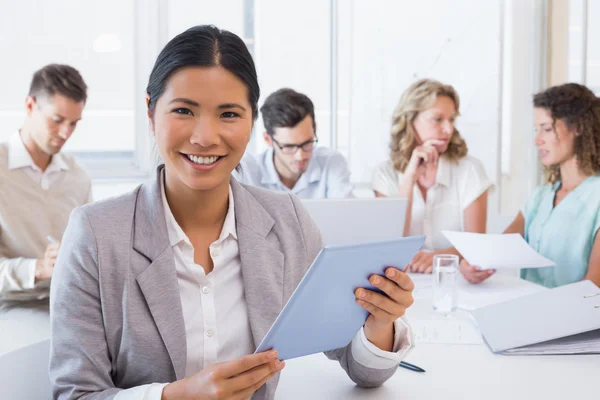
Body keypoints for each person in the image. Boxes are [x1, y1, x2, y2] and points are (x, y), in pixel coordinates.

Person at [49, 25, 415, 400]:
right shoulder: (94, 234)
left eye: (228, 114)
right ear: (150, 111)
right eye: (183, 110)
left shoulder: (287, 221)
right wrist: (175, 396)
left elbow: (361, 368)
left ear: (253, 122)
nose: (205, 136)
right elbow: (74, 393)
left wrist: (381, 320)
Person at [461, 83, 600, 288]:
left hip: (576, 316)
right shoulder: (541, 196)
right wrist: (473, 265)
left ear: (578, 127)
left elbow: (594, 285)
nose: (537, 140)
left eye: (547, 129)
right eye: (537, 130)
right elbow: (497, 250)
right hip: (533, 309)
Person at [372, 79, 493, 273]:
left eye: (452, 119)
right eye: (438, 119)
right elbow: (390, 245)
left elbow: (476, 243)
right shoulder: (384, 174)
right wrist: (409, 180)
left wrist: (439, 258)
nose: (448, 129)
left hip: (456, 282)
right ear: (410, 121)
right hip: (403, 284)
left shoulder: (469, 170)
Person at [0, 64, 92, 297]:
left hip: (70, 300)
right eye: (57, 120)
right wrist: (39, 268)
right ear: (30, 106)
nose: (65, 133)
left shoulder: (77, 175)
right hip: (15, 305)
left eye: (74, 123)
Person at [234, 88, 354, 198]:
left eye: (307, 143)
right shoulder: (246, 170)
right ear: (268, 140)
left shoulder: (331, 162)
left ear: (315, 130)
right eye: (289, 147)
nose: (300, 156)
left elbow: (349, 216)